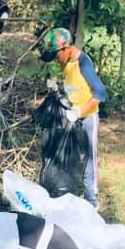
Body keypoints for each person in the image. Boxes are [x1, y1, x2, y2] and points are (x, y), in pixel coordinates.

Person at [39, 28, 105, 209]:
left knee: (89, 159)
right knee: (71, 157)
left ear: (66, 48)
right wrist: (57, 89)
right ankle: (65, 194)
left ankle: (92, 201)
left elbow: (100, 93)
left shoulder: (83, 63)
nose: (55, 60)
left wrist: (80, 111)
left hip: (88, 118)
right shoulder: (65, 62)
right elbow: (74, 89)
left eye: (56, 55)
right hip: (72, 118)